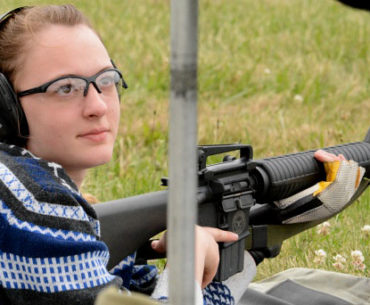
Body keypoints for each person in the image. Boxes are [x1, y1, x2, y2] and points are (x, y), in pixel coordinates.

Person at [0, 4, 365, 305]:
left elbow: (136, 293)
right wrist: (184, 270)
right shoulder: (31, 201)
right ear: (7, 106)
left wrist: (274, 223)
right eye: (66, 88)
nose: (97, 105)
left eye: (106, 80)